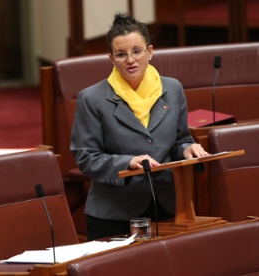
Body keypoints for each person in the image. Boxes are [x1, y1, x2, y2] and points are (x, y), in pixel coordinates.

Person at [70, 13, 209, 240]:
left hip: (166, 207)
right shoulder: (92, 98)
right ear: (111, 58)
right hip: (114, 213)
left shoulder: (172, 89)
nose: (130, 60)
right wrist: (127, 162)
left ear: (150, 52)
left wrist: (187, 148)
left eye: (137, 51)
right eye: (121, 54)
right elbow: (86, 157)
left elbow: (180, 139)